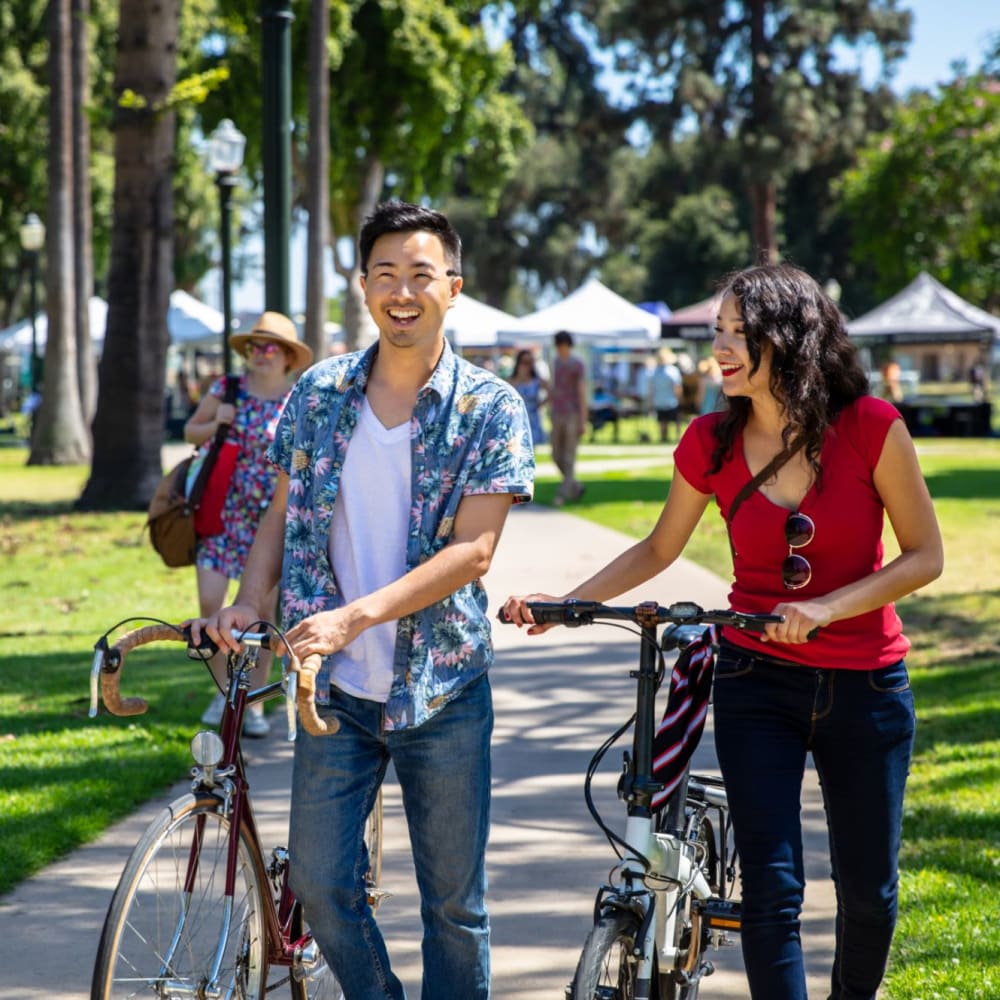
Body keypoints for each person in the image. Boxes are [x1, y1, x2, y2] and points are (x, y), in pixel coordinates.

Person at [503, 262, 943, 1000]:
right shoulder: (708, 439)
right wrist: (569, 601)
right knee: (771, 891)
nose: (723, 348)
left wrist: (830, 608)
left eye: (741, 332)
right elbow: (657, 548)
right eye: (718, 332)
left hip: (866, 684)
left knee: (869, 891)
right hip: (754, 679)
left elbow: (925, 555)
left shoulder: (870, 427)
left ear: (791, 337)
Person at [191, 200, 534, 999]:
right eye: (386, 274)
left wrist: (358, 615)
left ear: (455, 286)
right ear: (364, 286)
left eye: (421, 274)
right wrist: (249, 599)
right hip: (333, 690)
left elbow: (474, 550)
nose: (402, 291)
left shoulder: (490, 407)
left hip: (442, 689)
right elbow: (280, 510)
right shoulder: (319, 393)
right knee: (318, 884)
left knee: (455, 907)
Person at [184, 312, 313, 737]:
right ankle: (223, 690)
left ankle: (253, 702)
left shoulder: (298, 398)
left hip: (270, 519)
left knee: (261, 613)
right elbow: (190, 431)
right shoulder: (229, 389)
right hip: (224, 514)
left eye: (271, 347)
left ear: (288, 357)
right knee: (211, 604)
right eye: (255, 347)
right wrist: (215, 421)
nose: (261, 354)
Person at [548, 329, 588, 505]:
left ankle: (562, 494)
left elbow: (582, 392)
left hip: (572, 413)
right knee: (556, 454)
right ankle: (575, 485)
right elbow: (554, 387)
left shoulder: (577, 364)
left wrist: (583, 419)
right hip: (557, 412)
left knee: (569, 456)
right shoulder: (555, 363)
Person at [508, 348, 548, 448]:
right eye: (524, 362)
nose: (526, 365)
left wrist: (541, 404)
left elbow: (552, 391)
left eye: (529, 362)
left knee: (531, 448)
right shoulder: (511, 381)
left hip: (533, 417)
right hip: (516, 418)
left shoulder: (536, 380)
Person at [647, 346, 683, 442]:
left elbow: (652, 388)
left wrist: (651, 400)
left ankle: (663, 438)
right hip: (672, 400)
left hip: (659, 400)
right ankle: (677, 438)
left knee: (662, 421)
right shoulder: (673, 371)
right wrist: (679, 398)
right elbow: (677, 387)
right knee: (675, 421)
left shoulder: (655, 371)